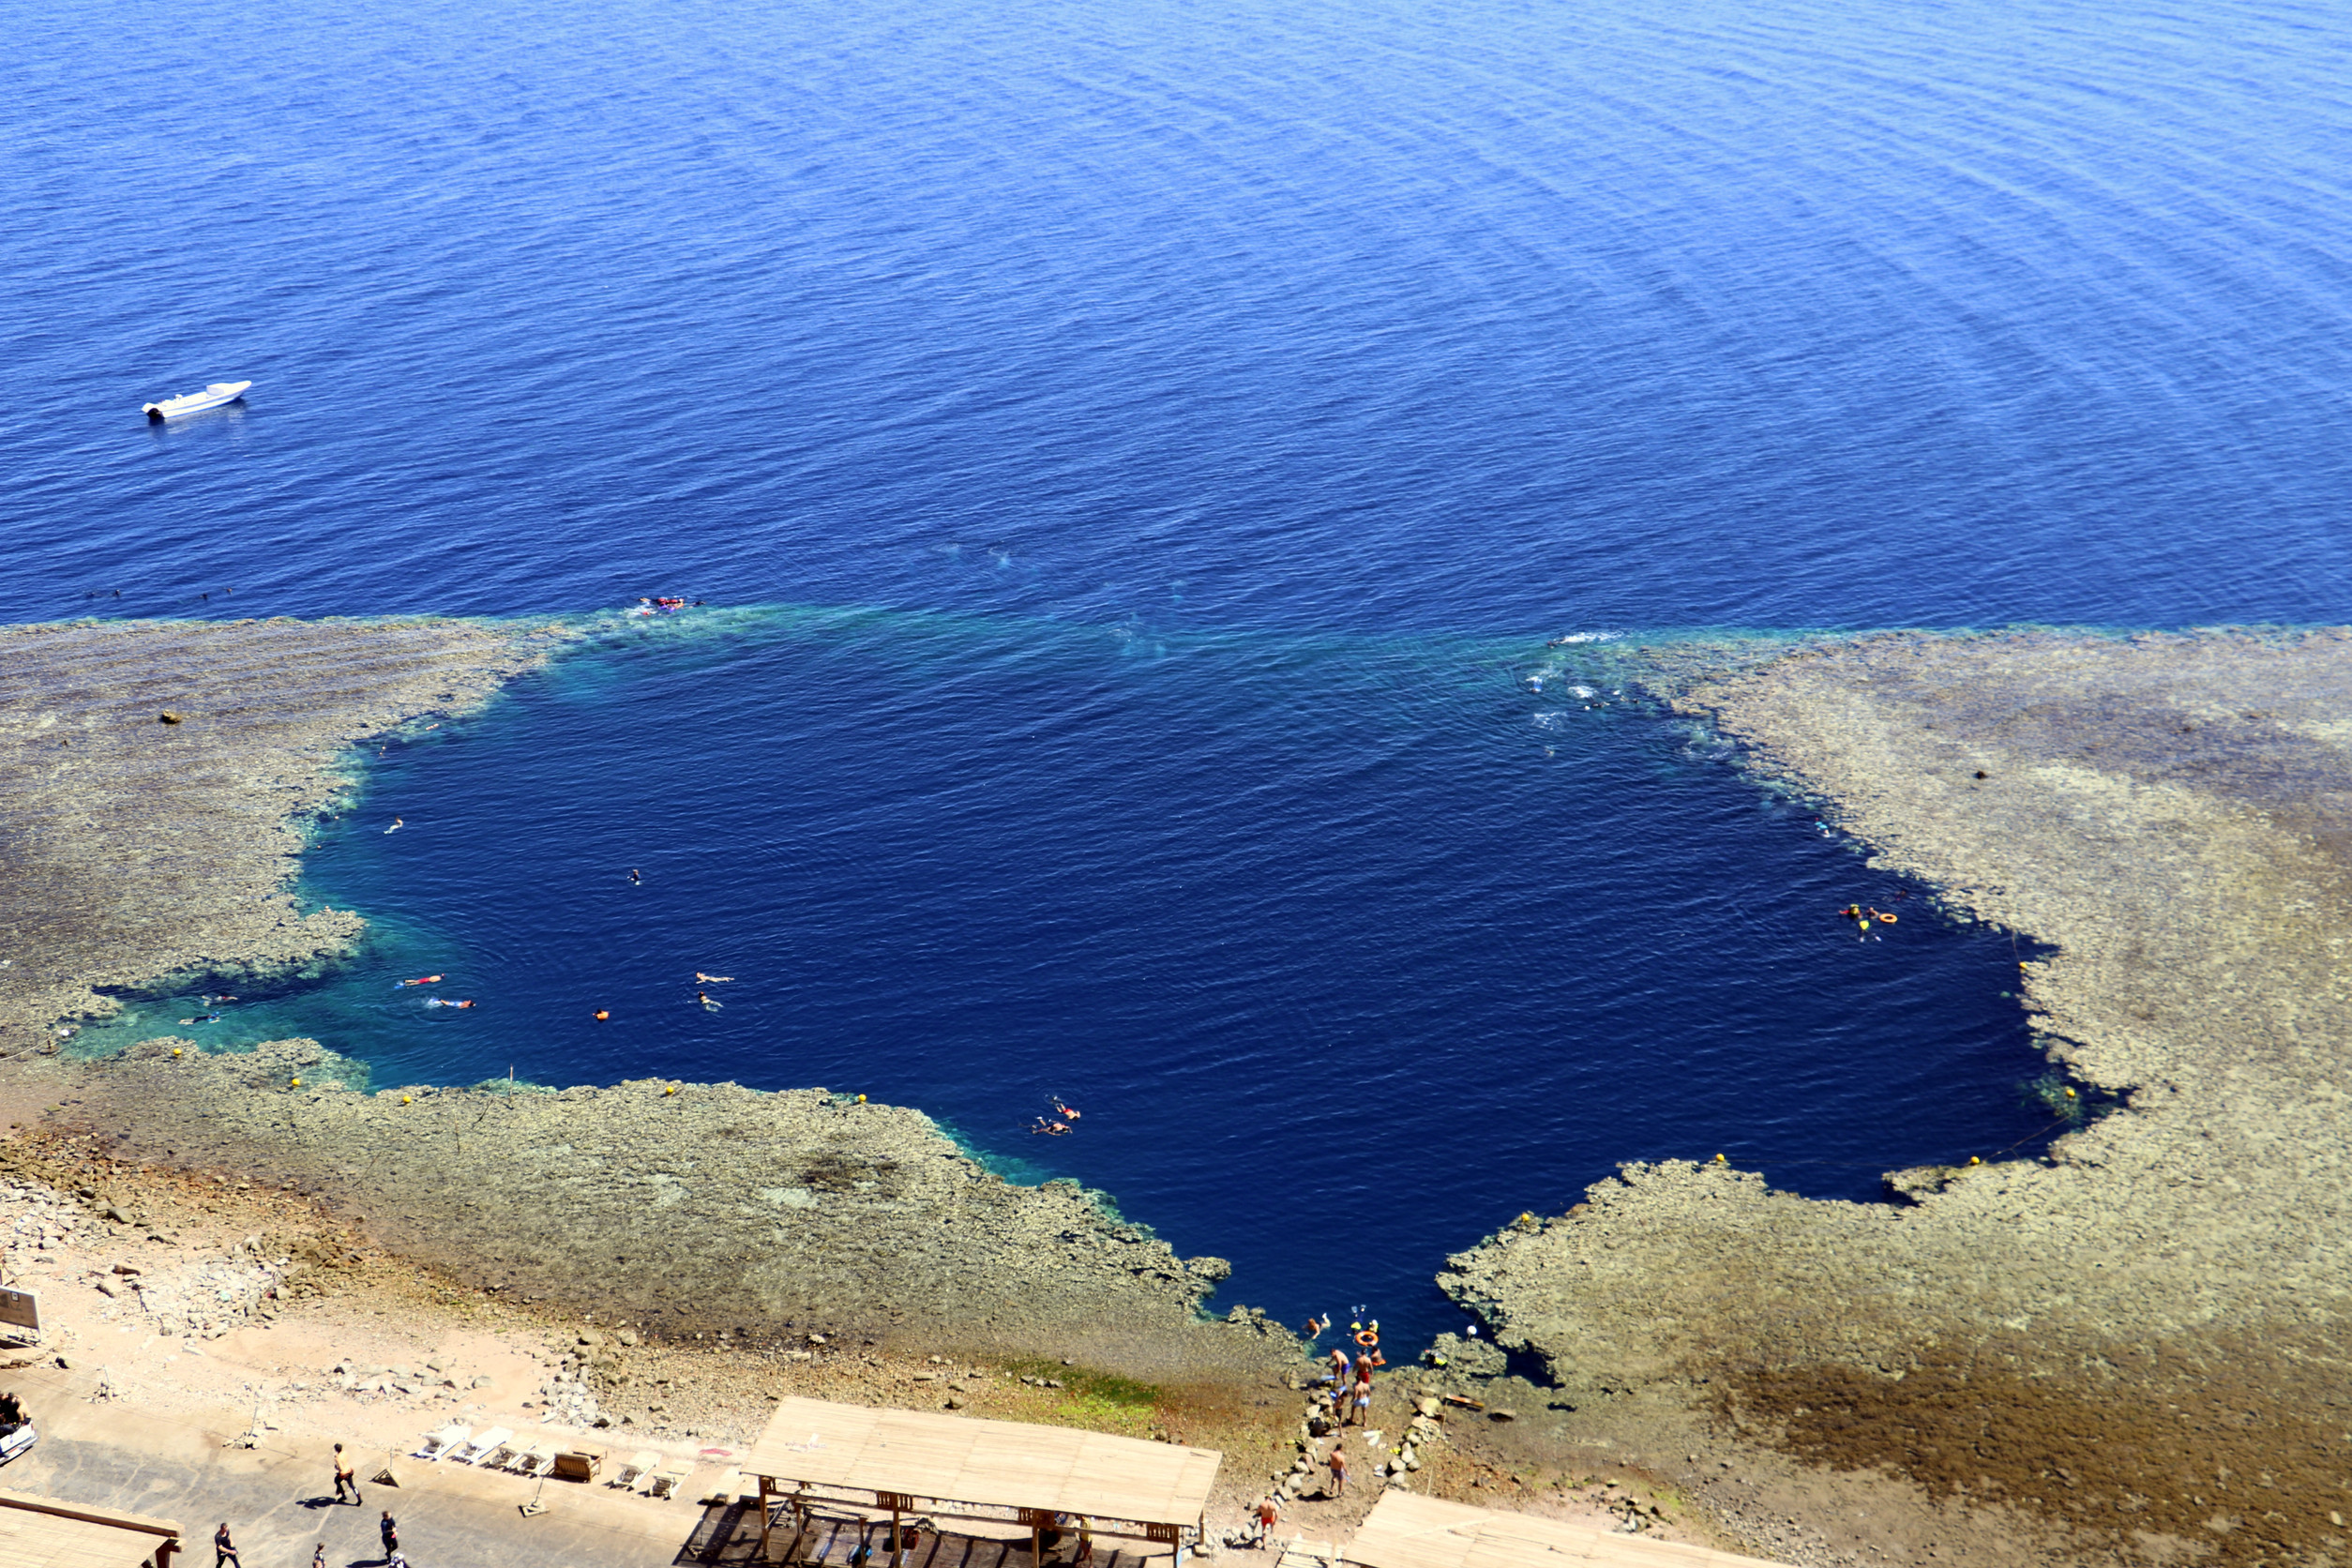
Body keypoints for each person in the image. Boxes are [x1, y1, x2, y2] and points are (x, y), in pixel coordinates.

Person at [334, 1440, 362, 1504]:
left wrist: (336, 1467)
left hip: (343, 1473)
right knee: (352, 1486)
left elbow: (340, 1468)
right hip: (349, 1470)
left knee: (337, 1481)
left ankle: (343, 1495)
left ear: (336, 1449)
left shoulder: (337, 1457)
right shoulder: (345, 1452)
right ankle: (359, 1498)